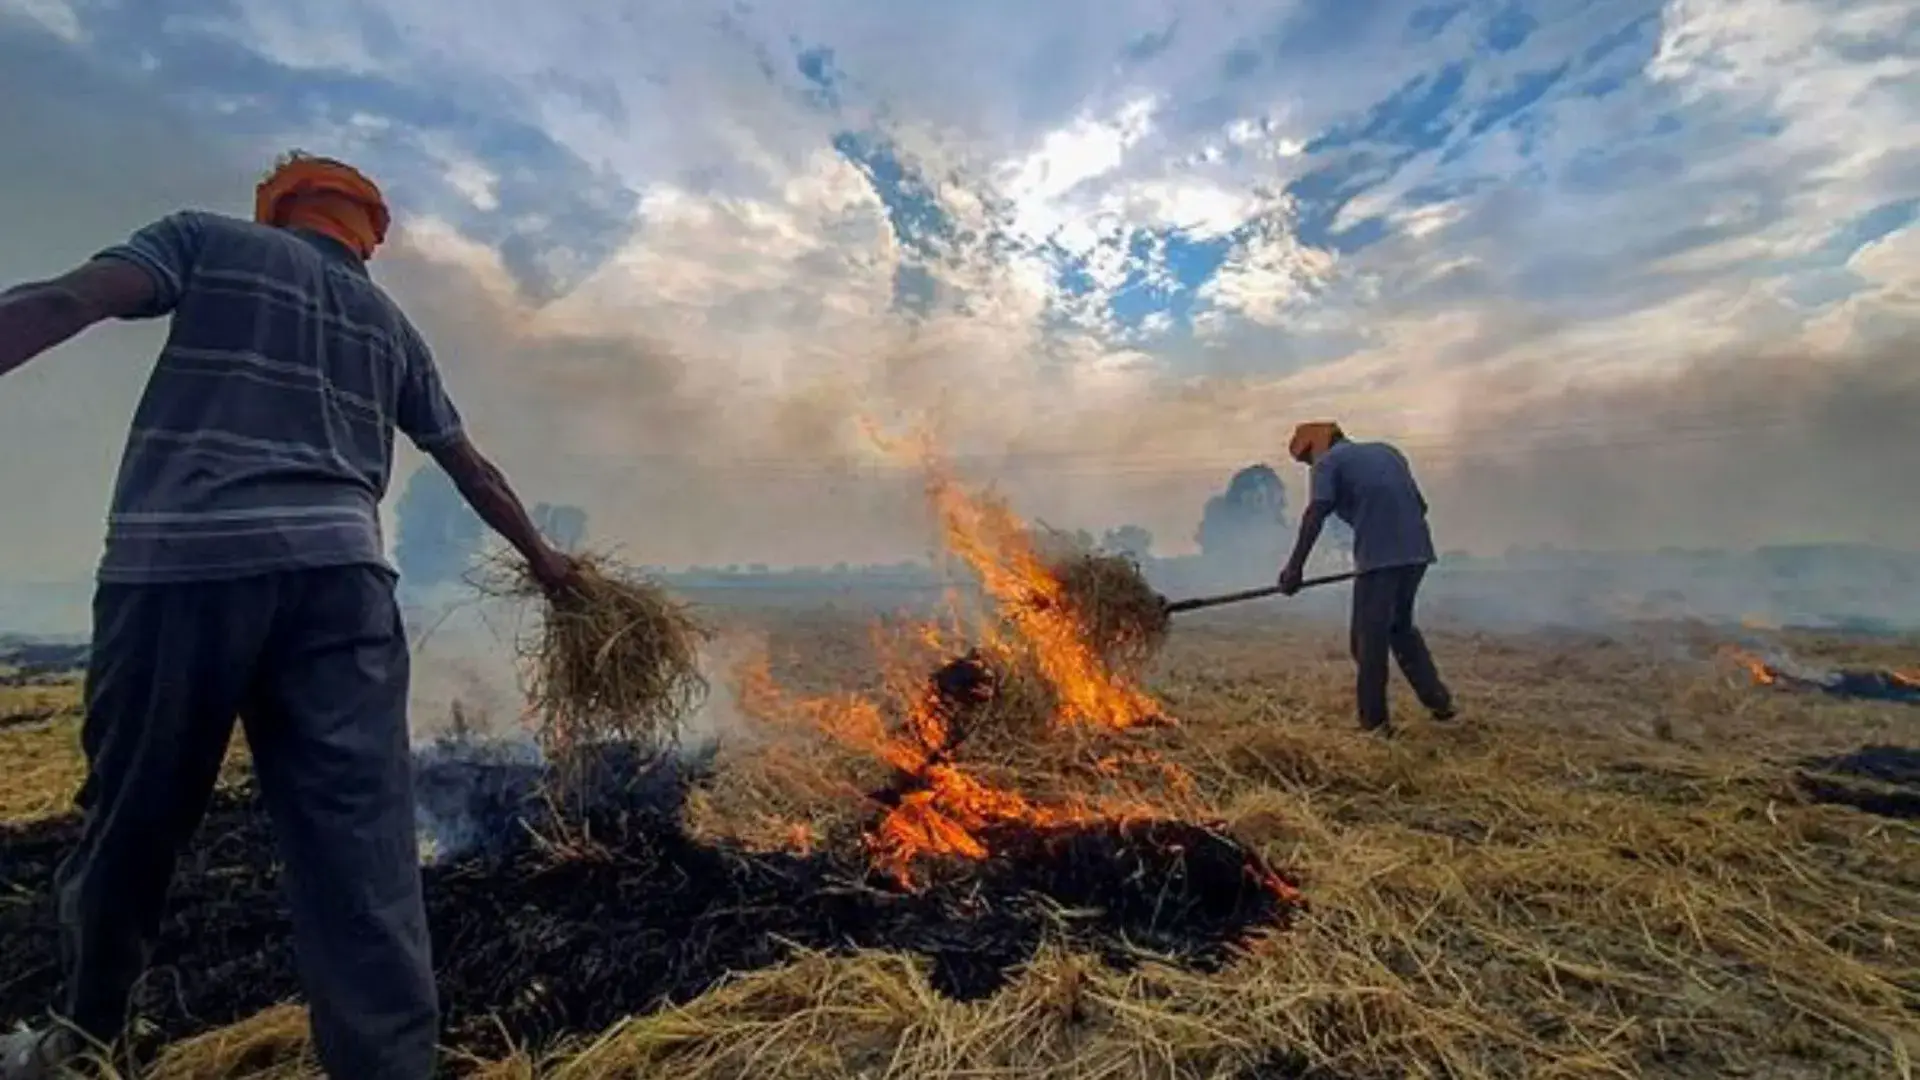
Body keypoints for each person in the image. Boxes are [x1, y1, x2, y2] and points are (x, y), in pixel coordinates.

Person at [0, 152, 579, 1080]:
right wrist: (551, 568)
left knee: (132, 823)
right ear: (368, 237)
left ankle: (84, 1041)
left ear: (280, 211)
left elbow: (73, 300)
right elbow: (471, 467)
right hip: (343, 586)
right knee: (364, 856)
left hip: (184, 573)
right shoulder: (391, 326)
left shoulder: (206, 242)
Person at [1276, 421, 1455, 736]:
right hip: (1418, 551)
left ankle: (1375, 726)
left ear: (1316, 447)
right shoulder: (1388, 452)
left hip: (1381, 557)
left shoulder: (1329, 462)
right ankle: (1439, 702)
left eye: (1306, 459)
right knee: (1400, 629)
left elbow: (1315, 513)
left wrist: (1294, 569)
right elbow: (1420, 506)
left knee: (1367, 641)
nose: (1309, 466)